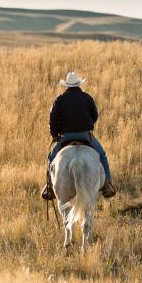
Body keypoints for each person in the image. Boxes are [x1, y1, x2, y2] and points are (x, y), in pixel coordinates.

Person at [41, 71, 116, 200]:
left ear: (67, 85)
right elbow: (95, 116)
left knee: (51, 158)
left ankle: (49, 186)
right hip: (85, 136)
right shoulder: (87, 98)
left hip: (65, 137)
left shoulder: (59, 100)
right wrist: (87, 126)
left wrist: (54, 135)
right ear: (78, 84)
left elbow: (52, 120)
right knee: (102, 155)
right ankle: (107, 185)